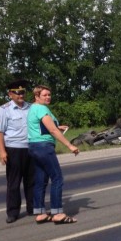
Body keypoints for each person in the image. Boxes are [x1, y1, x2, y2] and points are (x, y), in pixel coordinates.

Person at [27, 85, 79, 224]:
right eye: (44, 95)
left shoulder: (33, 108)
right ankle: (57, 213)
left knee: (41, 180)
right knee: (57, 178)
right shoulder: (42, 108)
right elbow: (52, 131)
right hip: (44, 147)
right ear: (37, 96)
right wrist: (70, 145)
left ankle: (40, 212)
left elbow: (42, 127)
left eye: (49, 94)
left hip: (34, 146)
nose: (48, 97)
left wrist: (58, 127)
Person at [0, 79, 34, 223]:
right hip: (14, 149)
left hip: (30, 148)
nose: (20, 95)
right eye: (17, 93)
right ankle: (13, 212)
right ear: (10, 94)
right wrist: (2, 151)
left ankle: (33, 208)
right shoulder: (4, 109)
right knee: (14, 183)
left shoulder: (31, 107)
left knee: (31, 181)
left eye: (22, 92)